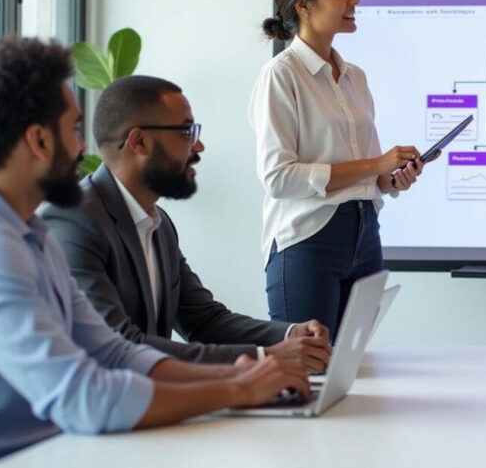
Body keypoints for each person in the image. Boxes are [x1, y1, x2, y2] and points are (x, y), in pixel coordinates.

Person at [0, 36, 308, 464]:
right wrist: (238, 389)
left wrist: (244, 373)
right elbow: (85, 396)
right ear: (40, 141)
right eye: (74, 130)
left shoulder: (33, 232)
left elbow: (114, 352)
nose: (83, 148)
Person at [40, 76, 332, 372]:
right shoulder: (74, 221)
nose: (199, 145)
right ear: (139, 141)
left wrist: (290, 335)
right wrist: (266, 357)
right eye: (186, 132)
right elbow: (118, 344)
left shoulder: (158, 224)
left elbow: (204, 321)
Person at [250, 0, 434, 337]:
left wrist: (391, 178)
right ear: (303, 4)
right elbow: (278, 178)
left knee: (351, 366)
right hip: (308, 240)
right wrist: (377, 165)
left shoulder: (356, 77)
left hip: (365, 236)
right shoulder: (280, 75)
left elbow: (372, 172)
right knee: (310, 367)